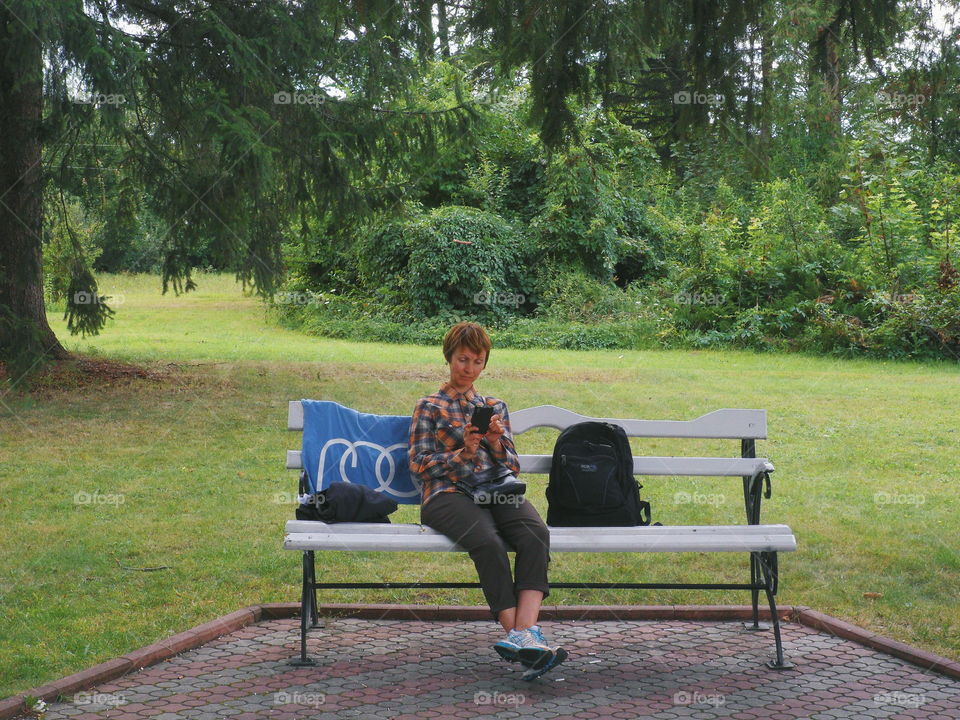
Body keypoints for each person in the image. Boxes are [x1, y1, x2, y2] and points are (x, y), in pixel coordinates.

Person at [408, 321, 566, 677]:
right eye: (463, 359)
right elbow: (419, 466)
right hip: (446, 495)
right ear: (449, 357)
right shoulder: (429, 406)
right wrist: (463, 453)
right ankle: (521, 639)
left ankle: (527, 636)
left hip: (496, 491)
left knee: (536, 535)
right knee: (488, 542)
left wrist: (494, 441)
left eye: (477, 361)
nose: (469, 369)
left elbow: (512, 465)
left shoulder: (494, 406)